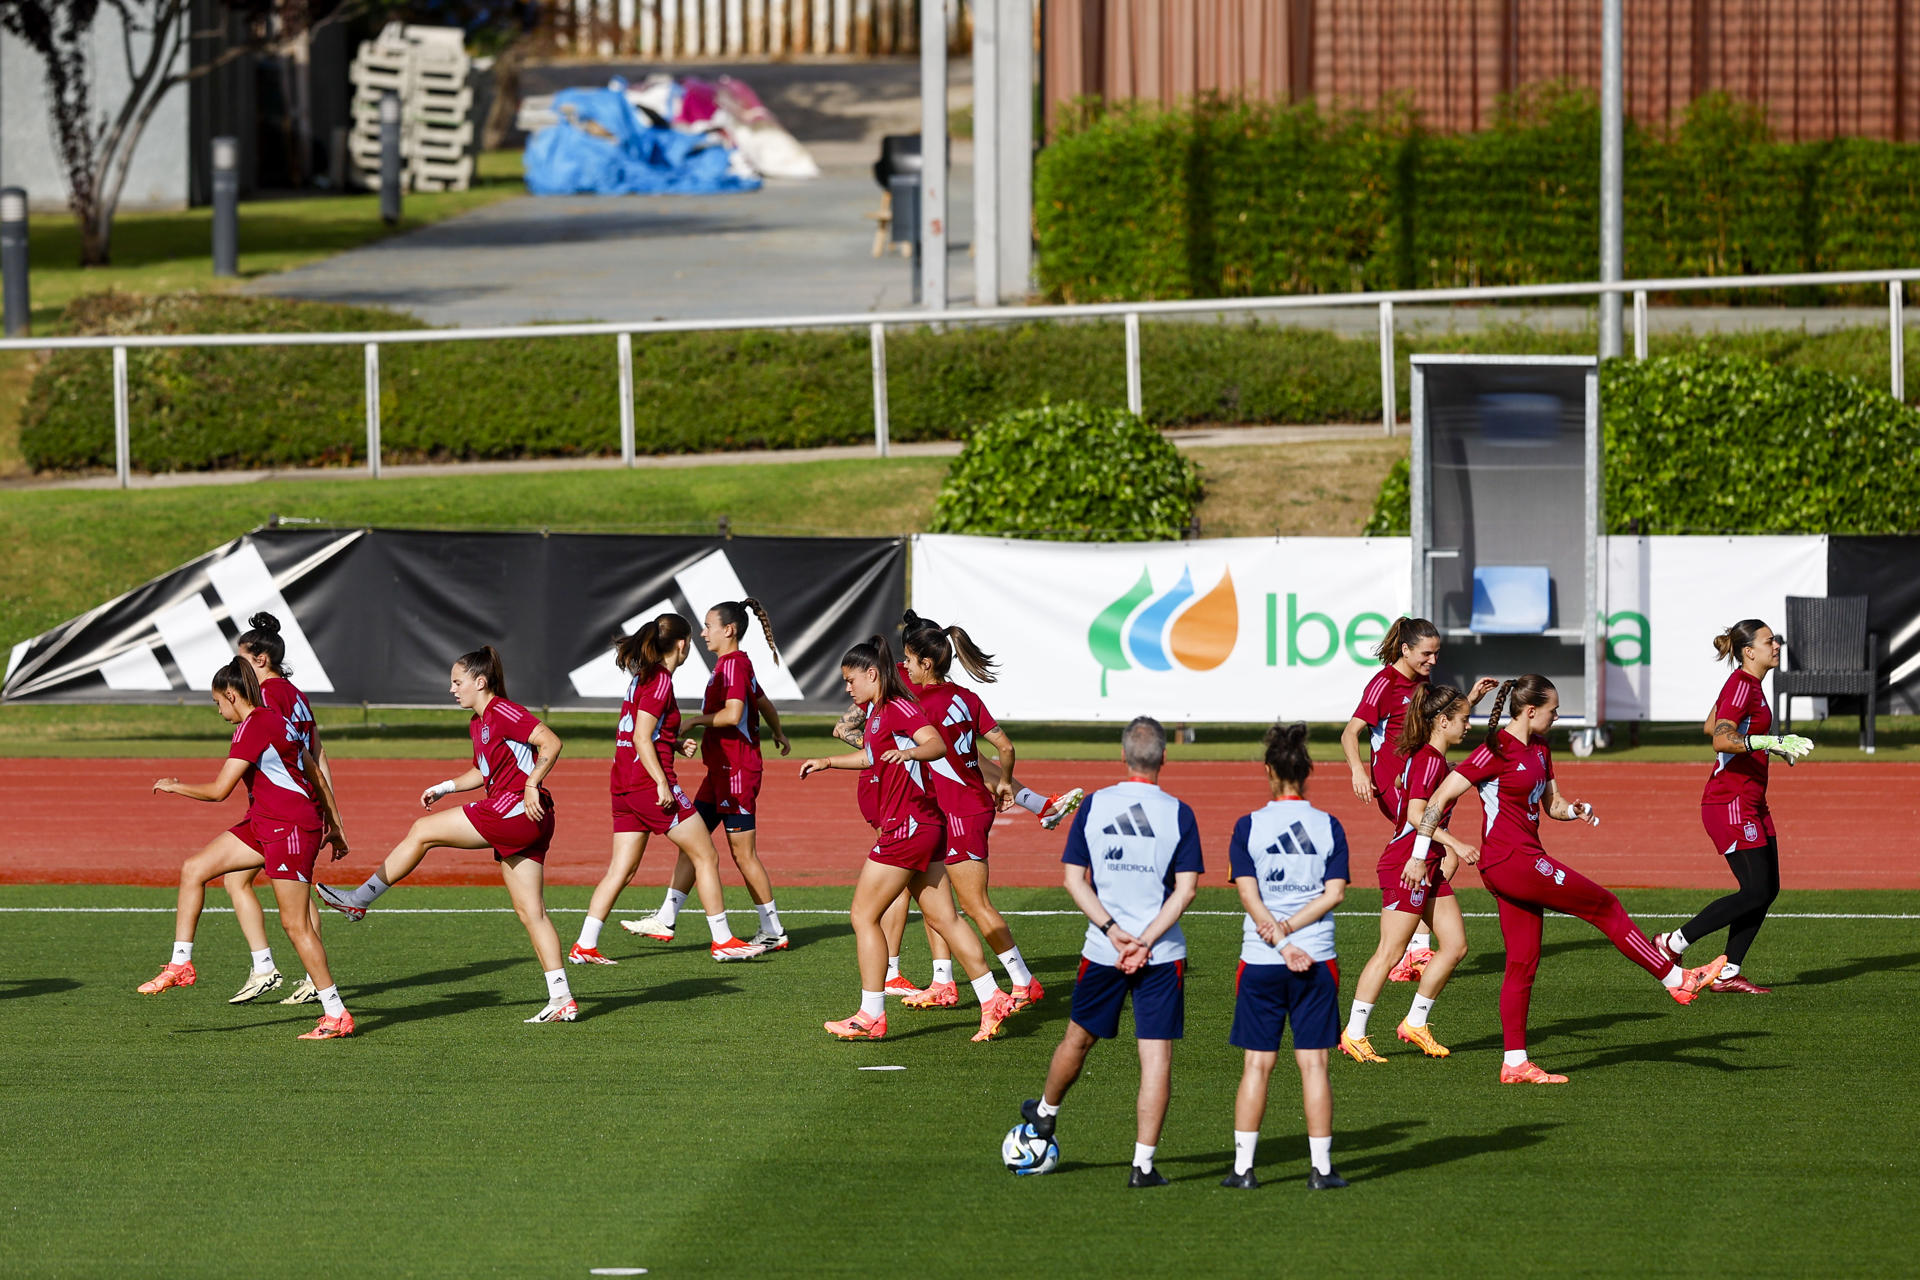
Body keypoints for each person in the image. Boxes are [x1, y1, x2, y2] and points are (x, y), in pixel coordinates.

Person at [1415, 675, 1728, 1083]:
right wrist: (1421, 854)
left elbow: (1552, 804)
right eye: (1553, 710)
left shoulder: (1542, 749)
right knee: (1606, 905)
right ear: (1530, 711)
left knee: (1522, 963)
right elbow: (1438, 799)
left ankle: (1514, 1063)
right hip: (1512, 862)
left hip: (1521, 862)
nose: (1557, 716)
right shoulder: (1494, 751)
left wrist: (1573, 809)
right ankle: (1676, 978)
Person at [317, 647, 579, 1025]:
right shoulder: (479, 723)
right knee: (531, 912)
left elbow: (551, 742)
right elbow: (483, 772)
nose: (452, 689)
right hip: (528, 817)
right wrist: (445, 786)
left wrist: (533, 783)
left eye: (458, 682)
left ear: (480, 682)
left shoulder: (503, 711)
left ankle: (359, 900)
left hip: (515, 809)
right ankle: (562, 998)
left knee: (423, 830)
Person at [1014, 717, 1202, 1188]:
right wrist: (1144, 941)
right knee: (1155, 1059)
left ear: (1123, 757)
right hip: (1160, 955)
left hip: (1103, 950)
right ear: (1163, 757)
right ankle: (1142, 1166)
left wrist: (1115, 932)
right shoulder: (1179, 813)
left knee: (1077, 1039)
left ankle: (1045, 1114)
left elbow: (1073, 880)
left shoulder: (1096, 805)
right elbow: (1186, 892)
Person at [799, 636, 1017, 1043]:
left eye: (851, 680)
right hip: (925, 826)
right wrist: (828, 761)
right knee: (945, 919)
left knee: (863, 916)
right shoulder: (880, 711)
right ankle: (993, 998)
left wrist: (912, 754)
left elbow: (934, 743)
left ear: (871, 674)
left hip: (907, 827)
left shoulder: (899, 707)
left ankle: (870, 1014)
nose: (847, 689)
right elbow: (870, 756)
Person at [141, 657, 356, 1040]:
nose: (217, 710)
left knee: (296, 925)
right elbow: (315, 771)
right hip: (264, 823)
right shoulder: (277, 720)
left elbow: (219, 791)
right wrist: (336, 827)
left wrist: (176, 786)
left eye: (216, 702)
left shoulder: (252, 726)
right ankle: (180, 964)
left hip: (288, 828)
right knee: (194, 869)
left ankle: (336, 1012)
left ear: (230, 694)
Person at [569, 615, 767, 965]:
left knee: (622, 870)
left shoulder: (644, 677)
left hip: (624, 784)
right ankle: (723, 940)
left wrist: (674, 744)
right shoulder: (660, 680)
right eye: (691, 638)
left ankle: (585, 944)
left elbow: (646, 731)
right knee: (705, 856)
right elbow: (641, 736)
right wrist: (662, 782)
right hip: (648, 784)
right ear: (681, 644)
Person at [881, 617, 1042, 1012]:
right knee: (937, 902)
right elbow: (1004, 747)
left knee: (974, 906)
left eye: (910, 660)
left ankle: (1023, 981)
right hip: (958, 806)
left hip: (960, 812)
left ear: (926, 664)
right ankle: (943, 982)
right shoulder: (966, 696)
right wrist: (1005, 783)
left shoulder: (922, 703)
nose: (906, 666)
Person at [1222, 722, 1350, 1191]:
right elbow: (1334, 893)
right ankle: (1320, 1170)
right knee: (1314, 1066)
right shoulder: (1328, 825)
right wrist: (1294, 934)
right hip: (1317, 959)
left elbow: (1248, 895)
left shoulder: (1248, 825)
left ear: (1269, 772)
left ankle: (1243, 1171)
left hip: (1260, 960)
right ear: (1307, 772)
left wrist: (1277, 938)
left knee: (1257, 1065)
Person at [622, 600, 792, 952]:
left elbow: (733, 714)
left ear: (728, 630)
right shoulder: (731, 666)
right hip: (719, 772)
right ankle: (666, 917)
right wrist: (778, 731)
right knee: (693, 839)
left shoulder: (732, 666)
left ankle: (772, 928)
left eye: (708, 625)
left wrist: (695, 721)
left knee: (742, 854)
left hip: (736, 772)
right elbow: (762, 702)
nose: (703, 632)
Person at [1654, 620, 1813, 993]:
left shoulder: (1748, 686)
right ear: (1749, 651)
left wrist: (1767, 744)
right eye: (1769, 640)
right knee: (1755, 891)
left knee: (1766, 888)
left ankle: (1727, 973)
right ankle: (1672, 943)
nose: (1777, 646)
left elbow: (1711, 724)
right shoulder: (1743, 684)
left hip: (1752, 800)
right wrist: (1763, 741)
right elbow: (1721, 740)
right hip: (1731, 801)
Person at [1339, 617, 1496, 984]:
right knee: (1440, 851)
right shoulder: (1384, 683)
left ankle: (1414, 950)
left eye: (1437, 653)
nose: (1433, 660)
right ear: (1405, 650)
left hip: (1418, 778)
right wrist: (1358, 772)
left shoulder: (1421, 682)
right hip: (1398, 786)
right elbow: (1350, 733)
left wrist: (1470, 700)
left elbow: (1434, 722)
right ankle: (1413, 951)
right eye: (1427, 653)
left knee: (1436, 857)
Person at [1340, 683, 1481, 1064]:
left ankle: (1415, 1023)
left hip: (1426, 861)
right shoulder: (1431, 759)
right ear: (1443, 721)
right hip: (1409, 863)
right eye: (1464, 719)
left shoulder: (1428, 755)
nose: (1469, 726)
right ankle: (1353, 1033)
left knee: (1454, 947)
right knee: (1390, 952)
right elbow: (1419, 814)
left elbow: (1408, 787)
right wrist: (1456, 843)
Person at [221, 611, 335, 1006]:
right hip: (303, 805)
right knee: (289, 897)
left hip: (281, 811)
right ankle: (303, 975)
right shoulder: (297, 695)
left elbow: (288, 754)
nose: (237, 668)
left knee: (241, 882)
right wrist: (332, 815)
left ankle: (266, 968)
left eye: (242, 660)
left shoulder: (266, 697)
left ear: (260, 660)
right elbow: (317, 755)